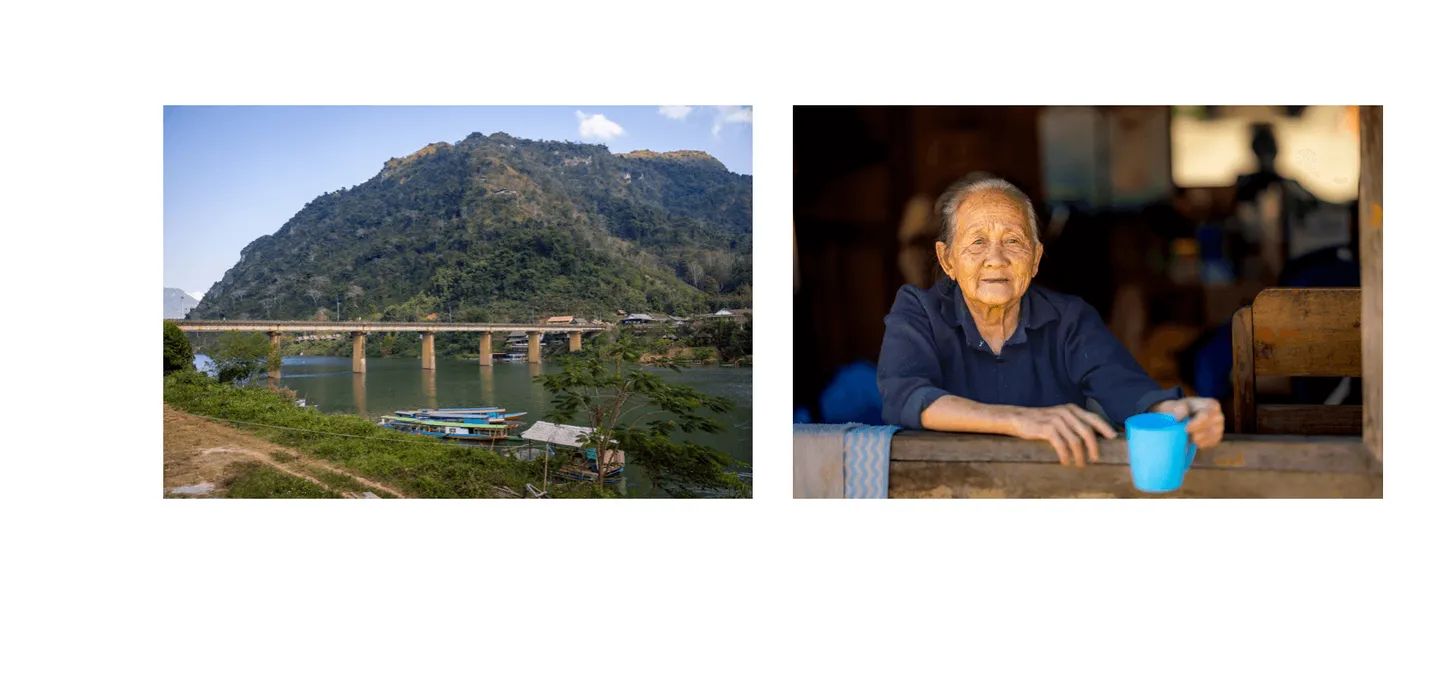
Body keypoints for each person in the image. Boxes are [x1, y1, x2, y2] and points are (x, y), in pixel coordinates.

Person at [876, 177, 1225, 466]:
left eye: (1013, 241)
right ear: (948, 259)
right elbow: (905, 397)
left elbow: (1127, 390)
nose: (995, 259)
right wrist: (1019, 419)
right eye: (977, 241)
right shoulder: (919, 311)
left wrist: (1180, 413)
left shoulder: (1069, 319)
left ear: (1035, 258)